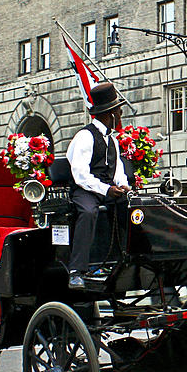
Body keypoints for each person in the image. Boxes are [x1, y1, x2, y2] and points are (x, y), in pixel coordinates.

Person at [66, 82, 131, 289]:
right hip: (85, 189)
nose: (120, 116)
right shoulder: (85, 136)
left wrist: (123, 186)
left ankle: (127, 258)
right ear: (110, 114)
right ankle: (77, 270)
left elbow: (117, 168)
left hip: (107, 188)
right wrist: (106, 189)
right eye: (119, 112)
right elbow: (80, 174)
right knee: (88, 212)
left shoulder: (112, 140)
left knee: (132, 207)